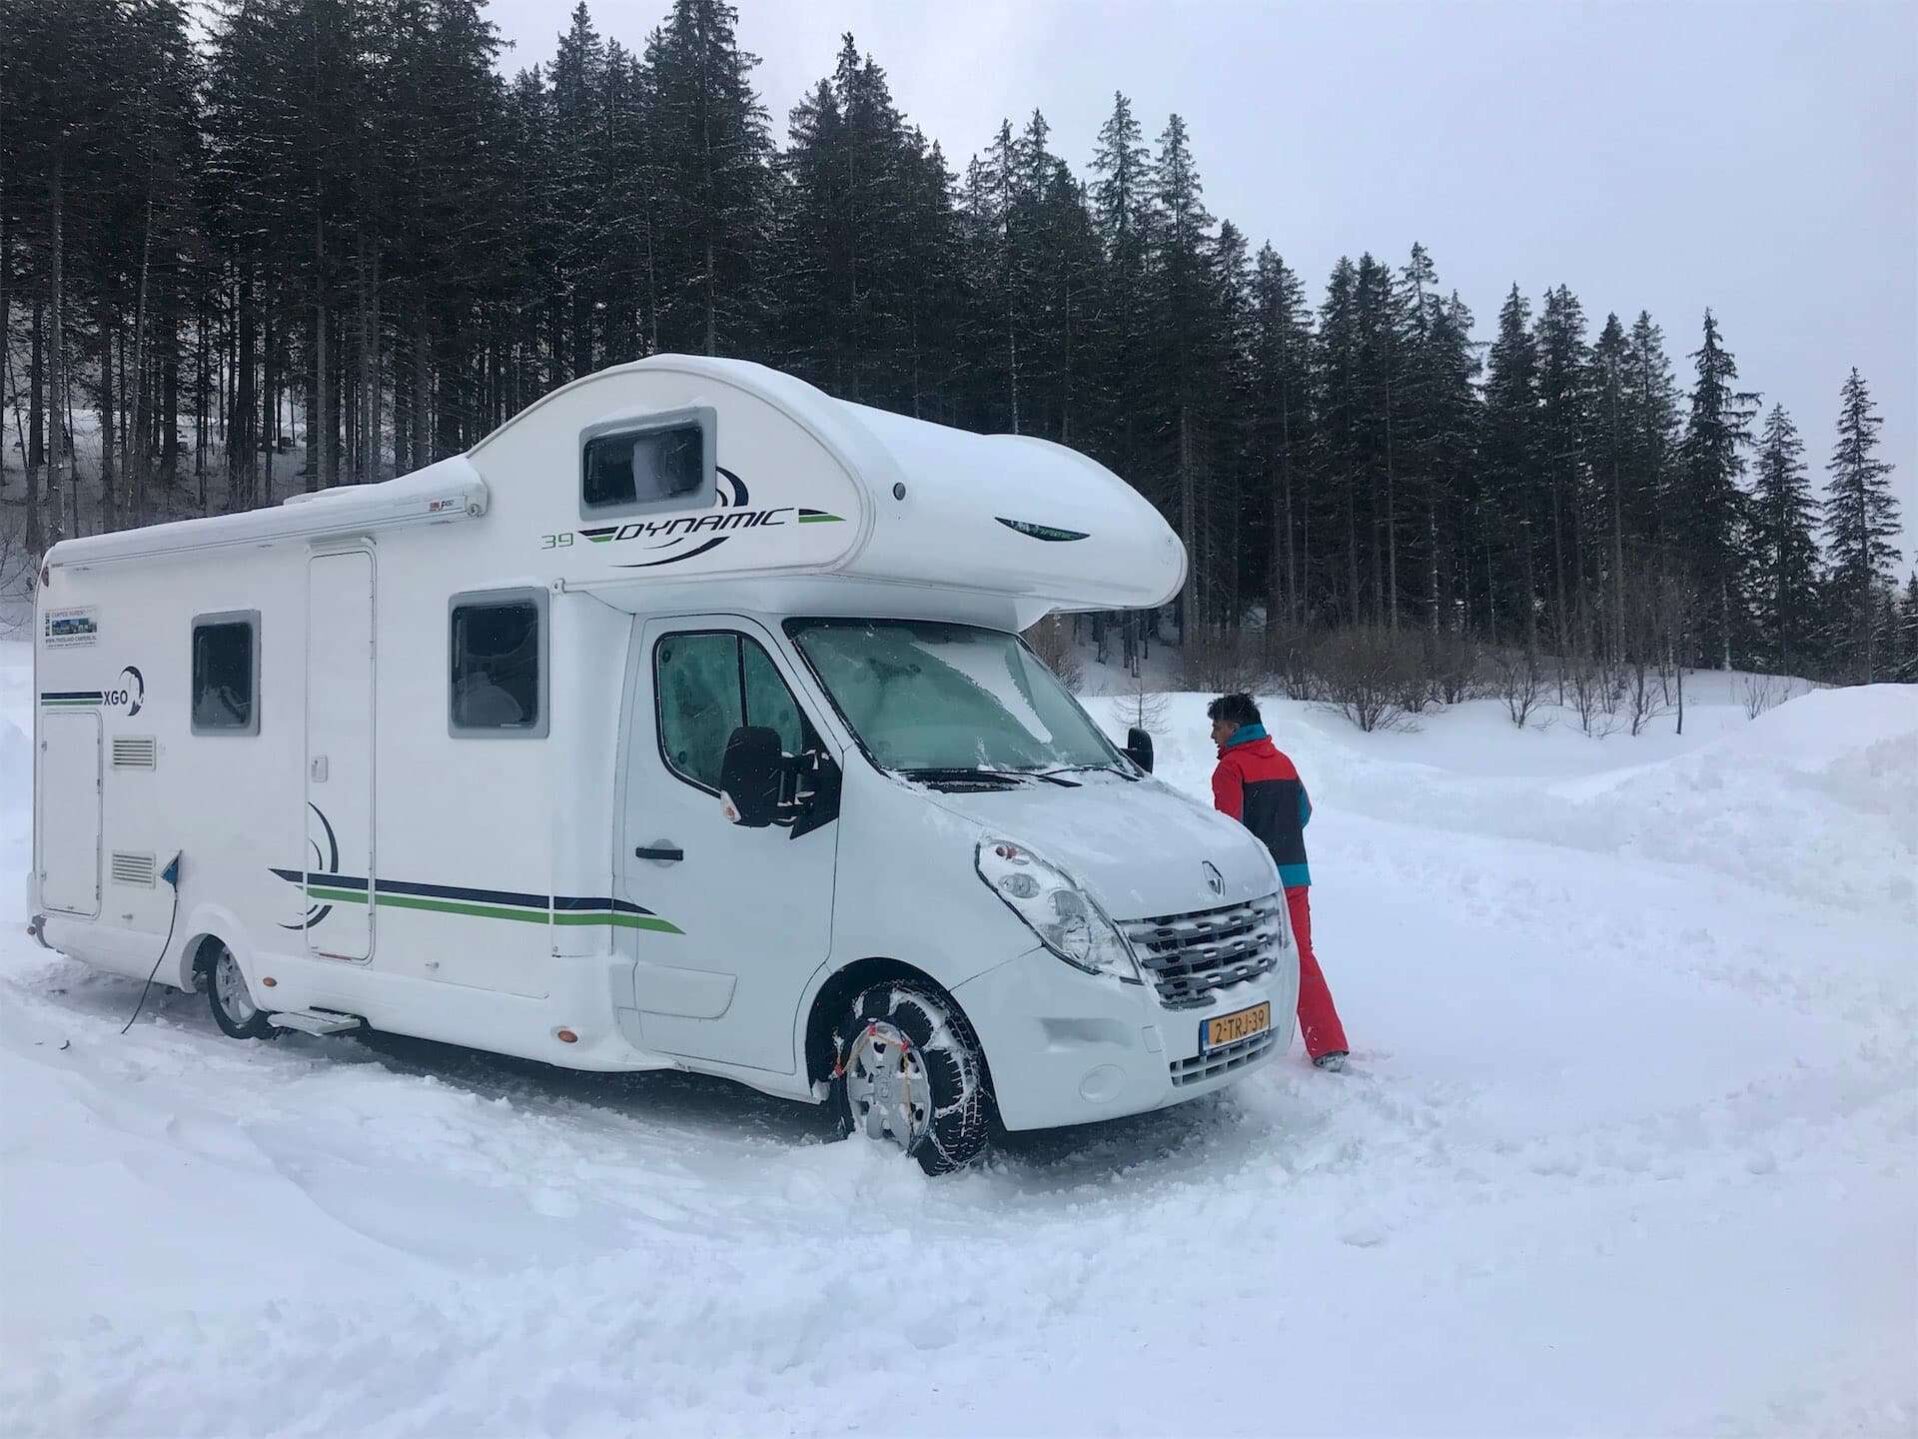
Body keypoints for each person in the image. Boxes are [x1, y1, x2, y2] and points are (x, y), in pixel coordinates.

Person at [1207, 693, 1350, 1071]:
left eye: (1217, 727)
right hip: (1295, 874)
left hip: (1255, 881)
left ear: (1234, 728)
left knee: (1240, 958)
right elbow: (1303, 812)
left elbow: (1230, 830)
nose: (1213, 736)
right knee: (1300, 954)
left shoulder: (1230, 769)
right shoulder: (1284, 762)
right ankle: (1327, 1042)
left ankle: (1234, 1043)